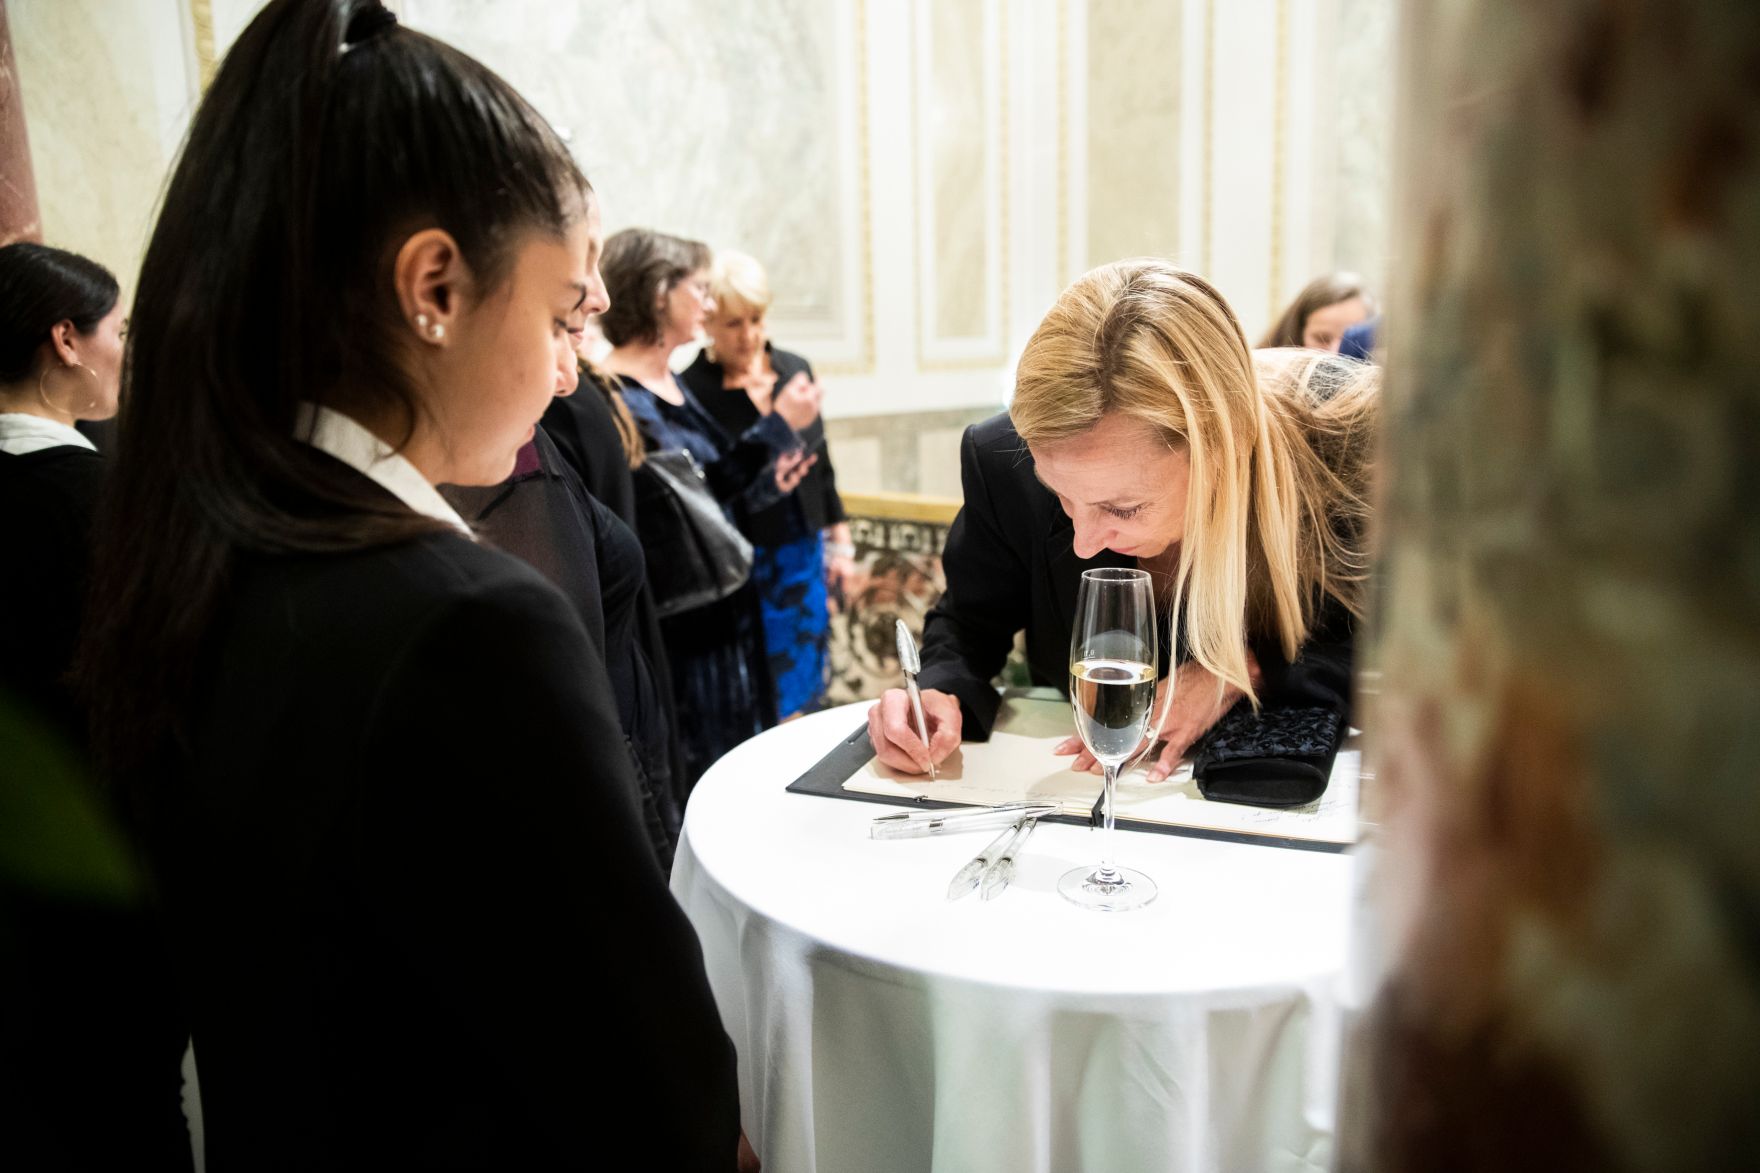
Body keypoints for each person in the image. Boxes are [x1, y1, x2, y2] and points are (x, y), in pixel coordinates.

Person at [77, 3, 741, 1168]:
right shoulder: (465, 623)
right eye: (561, 312)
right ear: (433, 285)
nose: (567, 367)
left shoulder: (184, 540)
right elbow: (649, 1088)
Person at [867, 260, 1376, 782]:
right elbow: (968, 625)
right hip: (1076, 789)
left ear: (1220, 449)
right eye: (1059, 495)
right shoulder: (1003, 459)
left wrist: (1245, 672)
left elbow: (1415, 661)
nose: (1084, 544)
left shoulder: (1348, 445)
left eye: (1122, 509)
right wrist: (936, 692)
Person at [0, 243, 195, 1171]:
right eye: (118, 330)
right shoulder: (103, 501)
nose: (126, 350)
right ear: (66, 338)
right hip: (106, 866)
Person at [595, 227, 821, 785]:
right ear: (656, 295)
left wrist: (771, 484)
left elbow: (715, 501)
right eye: (697, 287)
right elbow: (680, 515)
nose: (709, 302)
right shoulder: (621, 394)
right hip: (691, 631)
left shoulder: (667, 380)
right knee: (714, 772)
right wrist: (777, 430)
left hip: (733, 611)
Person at [681, 250, 851, 720]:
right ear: (708, 322)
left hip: (805, 556)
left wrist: (842, 545)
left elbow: (822, 467)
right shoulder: (691, 390)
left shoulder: (795, 369)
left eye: (756, 319)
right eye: (733, 323)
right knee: (763, 702)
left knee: (809, 688)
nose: (749, 335)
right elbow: (712, 490)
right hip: (747, 567)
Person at [1258, 271, 1377, 352]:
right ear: (1297, 334)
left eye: (1352, 342)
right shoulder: (1259, 383)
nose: (1334, 353)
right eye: (1322, 339)